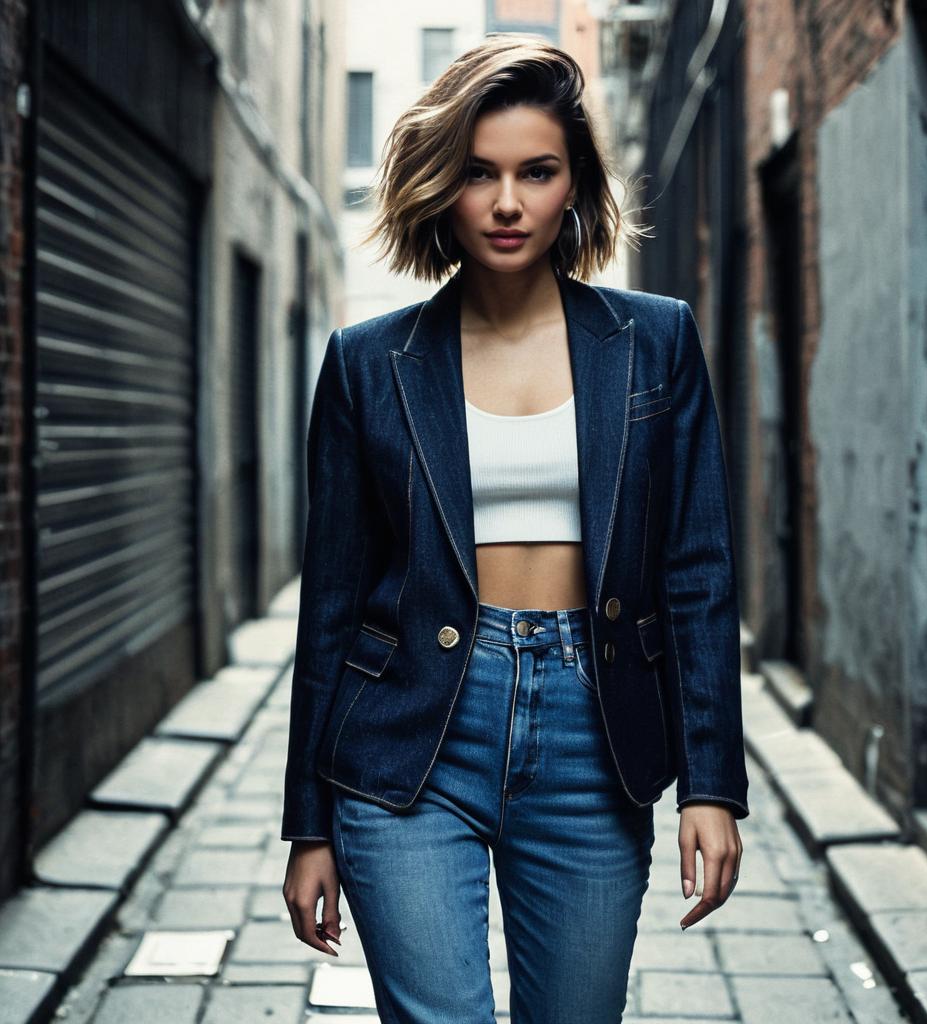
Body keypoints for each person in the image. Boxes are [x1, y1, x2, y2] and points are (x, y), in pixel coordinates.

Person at [281, 33, 748, 1024]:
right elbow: (328, 606)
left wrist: (713, 783)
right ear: (441, 185)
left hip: (595, 729)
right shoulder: (369, 364)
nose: (506, 202)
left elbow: (698, 570)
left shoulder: (654, 342)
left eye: (536, 173)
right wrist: (308, 824)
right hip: (409, 734)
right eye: (479, 174)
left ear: (572, 183)